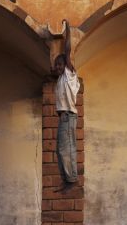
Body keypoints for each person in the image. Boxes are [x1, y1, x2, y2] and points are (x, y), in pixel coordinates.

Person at [53, 19, 80, 192]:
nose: (57, 67)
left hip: (69, 116)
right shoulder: (59, 80)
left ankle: (72, 181)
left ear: (67, 65)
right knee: (59, 151)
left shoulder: (69, 75)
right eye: (56, 65)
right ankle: (66, 181)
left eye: (60, 64)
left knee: (67, 150)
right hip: (63, 118)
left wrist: (67, 30)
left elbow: (68, 50)